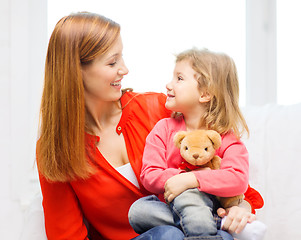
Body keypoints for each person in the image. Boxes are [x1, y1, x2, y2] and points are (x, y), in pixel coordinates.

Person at [37, 12, 263, 240]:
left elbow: (228, 175)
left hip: (194, 229)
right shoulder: (56, 150)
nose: (124, 69)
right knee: (167, 235)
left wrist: (240, 208)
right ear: (76, 71)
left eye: (121, 57)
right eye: (112, 62)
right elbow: (66, 235)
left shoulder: (158, 109)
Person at [128, 48, 265, 240]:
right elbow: (149, 175)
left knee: (219, 233)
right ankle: (216, 226)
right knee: (139, 211)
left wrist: (192, 180)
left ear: (205, 94)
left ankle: (204, 226)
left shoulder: (226, 138)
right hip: (171, 208)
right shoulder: (163, 129)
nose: (168, 85)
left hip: (210, 207)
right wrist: (182, 177)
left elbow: (238, 179)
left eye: (179, 78)